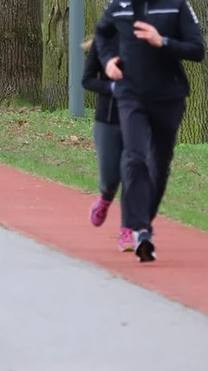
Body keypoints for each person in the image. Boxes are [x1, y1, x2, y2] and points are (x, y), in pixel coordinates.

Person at [94, 0, 205, 263]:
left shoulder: (176, 3)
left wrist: (163, 42)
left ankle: (143, 222)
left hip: (168, 97)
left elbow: (198, 50)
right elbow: (102, 34)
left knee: (159, 164)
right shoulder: (119, 4)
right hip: (131, 95)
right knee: (135, 156)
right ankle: (141, 230)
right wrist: (109, 62)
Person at [82, 31, 133, 253]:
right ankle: (105, 198)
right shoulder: (103, 43)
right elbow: (87, 80)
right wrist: (111, 88)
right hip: (108, 120)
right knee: (111, 178)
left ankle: (127, 232)